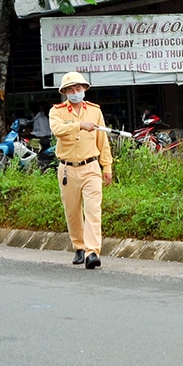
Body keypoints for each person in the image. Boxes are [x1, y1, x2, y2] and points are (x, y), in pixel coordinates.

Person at [49, 72, 113, 269]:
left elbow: (102, 140)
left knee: (93, 209)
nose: (75, 92)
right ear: (65, 92)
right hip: (68, 169)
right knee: (72, 211)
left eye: (78, 88)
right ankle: (79, 246)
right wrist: (79, 125)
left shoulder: (94, 110)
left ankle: (92, 252)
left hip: (91, 166)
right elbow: (57, 129)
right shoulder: (57, 112)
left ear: (84, 89)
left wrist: (107, 166)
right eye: (70, 89)